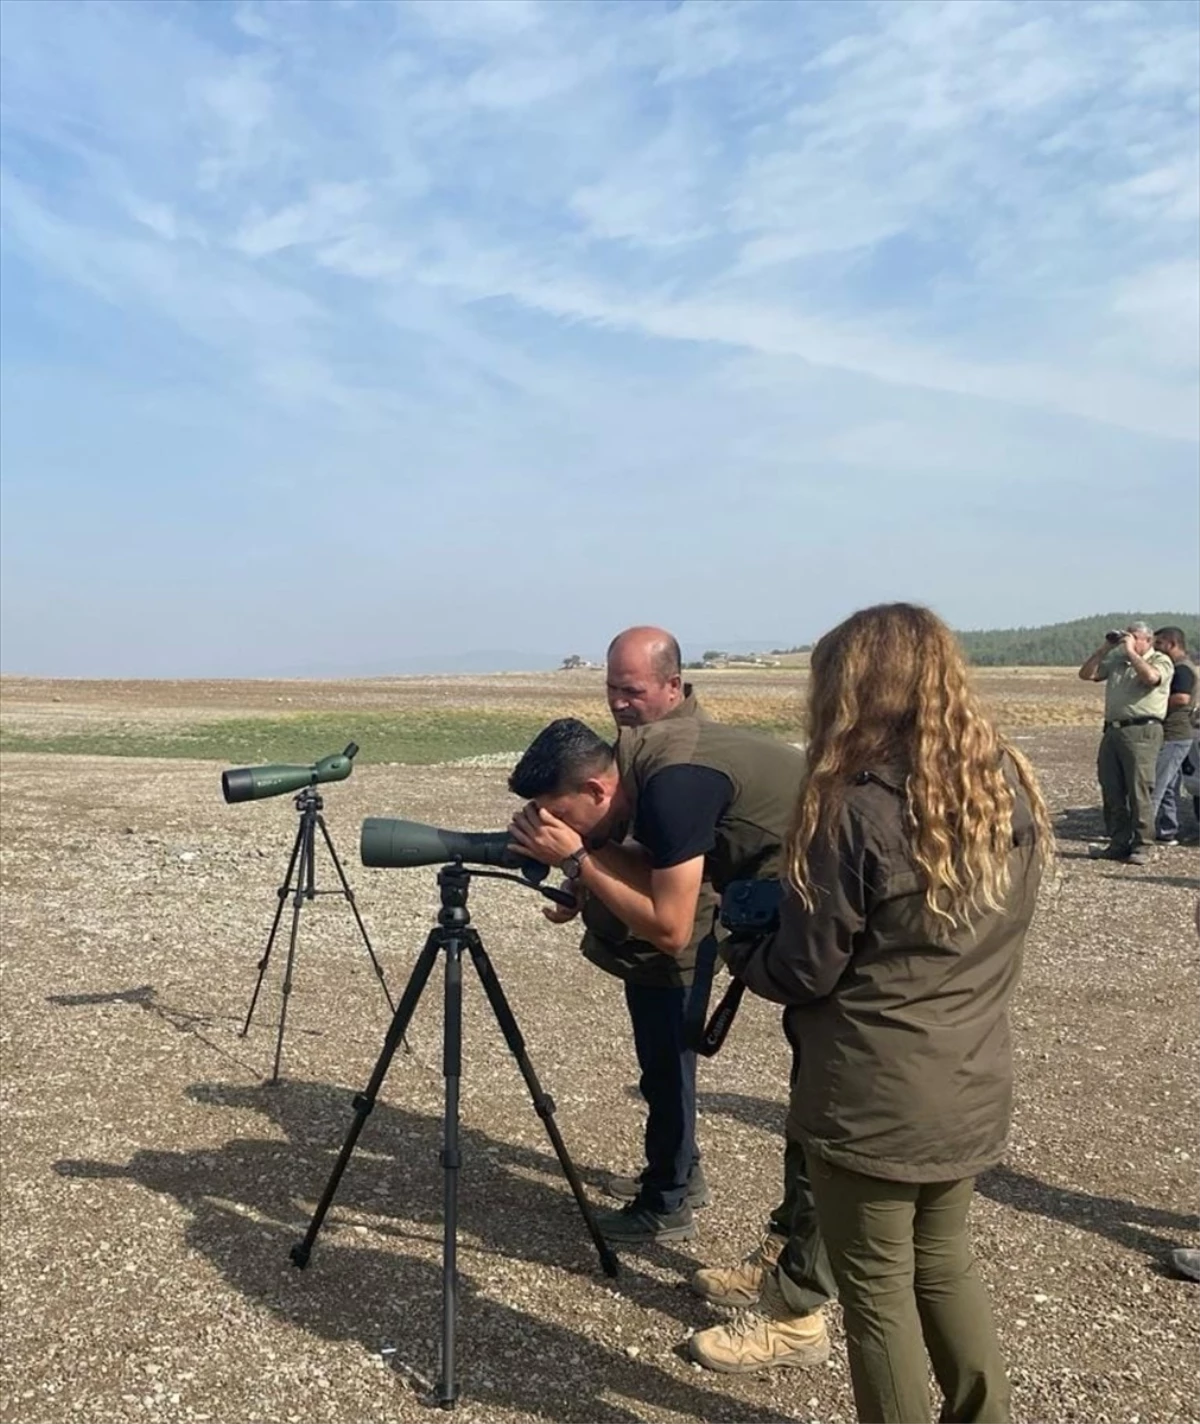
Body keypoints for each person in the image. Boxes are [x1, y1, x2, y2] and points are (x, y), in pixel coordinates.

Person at [722, 603, 1053, 1424]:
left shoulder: (854, 805)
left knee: (876, 1296)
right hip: (971, 1080)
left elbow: (806, 969)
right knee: (944, 1266)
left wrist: (739, 949)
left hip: (871, 1095)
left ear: (851, 689)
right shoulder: (1000, 783)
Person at [506, 709, 822, 1321]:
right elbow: (636, 857)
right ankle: (783, 1255)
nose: (560, 829)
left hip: (825, 910)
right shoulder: (641, 768)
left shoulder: (672, 785)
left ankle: (796, 1298)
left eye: (562, 815)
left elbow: (671, 929)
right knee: (809, 1108)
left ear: (598, 788)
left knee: (819, 1110)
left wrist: (578, 860)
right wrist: (582, 864)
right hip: (795, 902)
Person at [564, 627, 717, 1224]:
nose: (618, 703)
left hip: (677, 934)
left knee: (668, 1066)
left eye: (631, 690)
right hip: (651, 928)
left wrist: (580, 862)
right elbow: (633, 840)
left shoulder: (678, 760)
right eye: (610, 688)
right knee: (659, 1065)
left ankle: (669, 1198)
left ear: (673, 687)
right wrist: (583, 887)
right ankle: (681, 1170)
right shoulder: (641, 743)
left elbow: (671, 880)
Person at [1078, 623, 1173, 864]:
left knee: (1139, 789)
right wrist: (1104, 649)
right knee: (1112, 789)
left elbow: (1151, 678)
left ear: (1147, 640)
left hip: (1142, 730)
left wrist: (1132, 653)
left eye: (1134, 637)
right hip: (1113, 730)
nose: (1127, 641)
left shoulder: (1161, 660)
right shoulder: (1118, 660)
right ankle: (1118, 842)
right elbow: (1086, 674)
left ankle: (1142, 845)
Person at [1149, 627, 1197, 845]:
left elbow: (1181, 699)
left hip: (1175, 734)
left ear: (1171, 644)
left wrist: (1154, 705)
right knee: (1169, 785)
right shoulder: (1178, 667)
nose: (1156, 649)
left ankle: (1142, 833)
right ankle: (1168, 829)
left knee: (1157, 785)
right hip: (1176, 734)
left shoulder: (1182, 670)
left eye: (1159, 644)